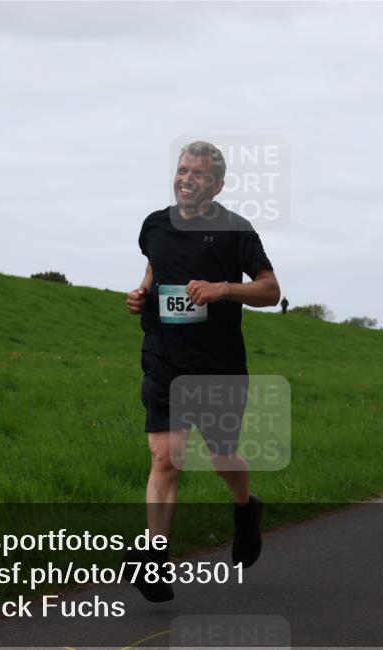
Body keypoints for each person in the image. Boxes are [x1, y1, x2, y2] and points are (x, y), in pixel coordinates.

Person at [125, 141, 281, 602]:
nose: (186, 178)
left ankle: (245, 509)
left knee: (221, 457)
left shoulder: (236, 231)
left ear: (217, 184)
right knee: (165, 459)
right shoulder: (154, 225)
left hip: (218, 367)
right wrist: (140, 294)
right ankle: (156, 561)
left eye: (197, 173)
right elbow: (154, 269)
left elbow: (270, 290)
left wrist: (223, 289)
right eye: (181, 170)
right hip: (163, 361)